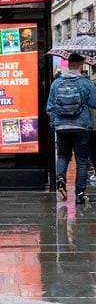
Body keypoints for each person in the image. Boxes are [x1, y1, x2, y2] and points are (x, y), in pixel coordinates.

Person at [46, 53, 96, 204]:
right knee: (81, 161)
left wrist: (55, 122)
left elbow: (50, 107)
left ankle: (60, 178)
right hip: (81, 126)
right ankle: (79, 193)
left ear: (68, 64)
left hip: (62, 126)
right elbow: (94, 103)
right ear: (81, 65)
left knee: (62, 156)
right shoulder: (86, 83)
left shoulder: (56, 83)